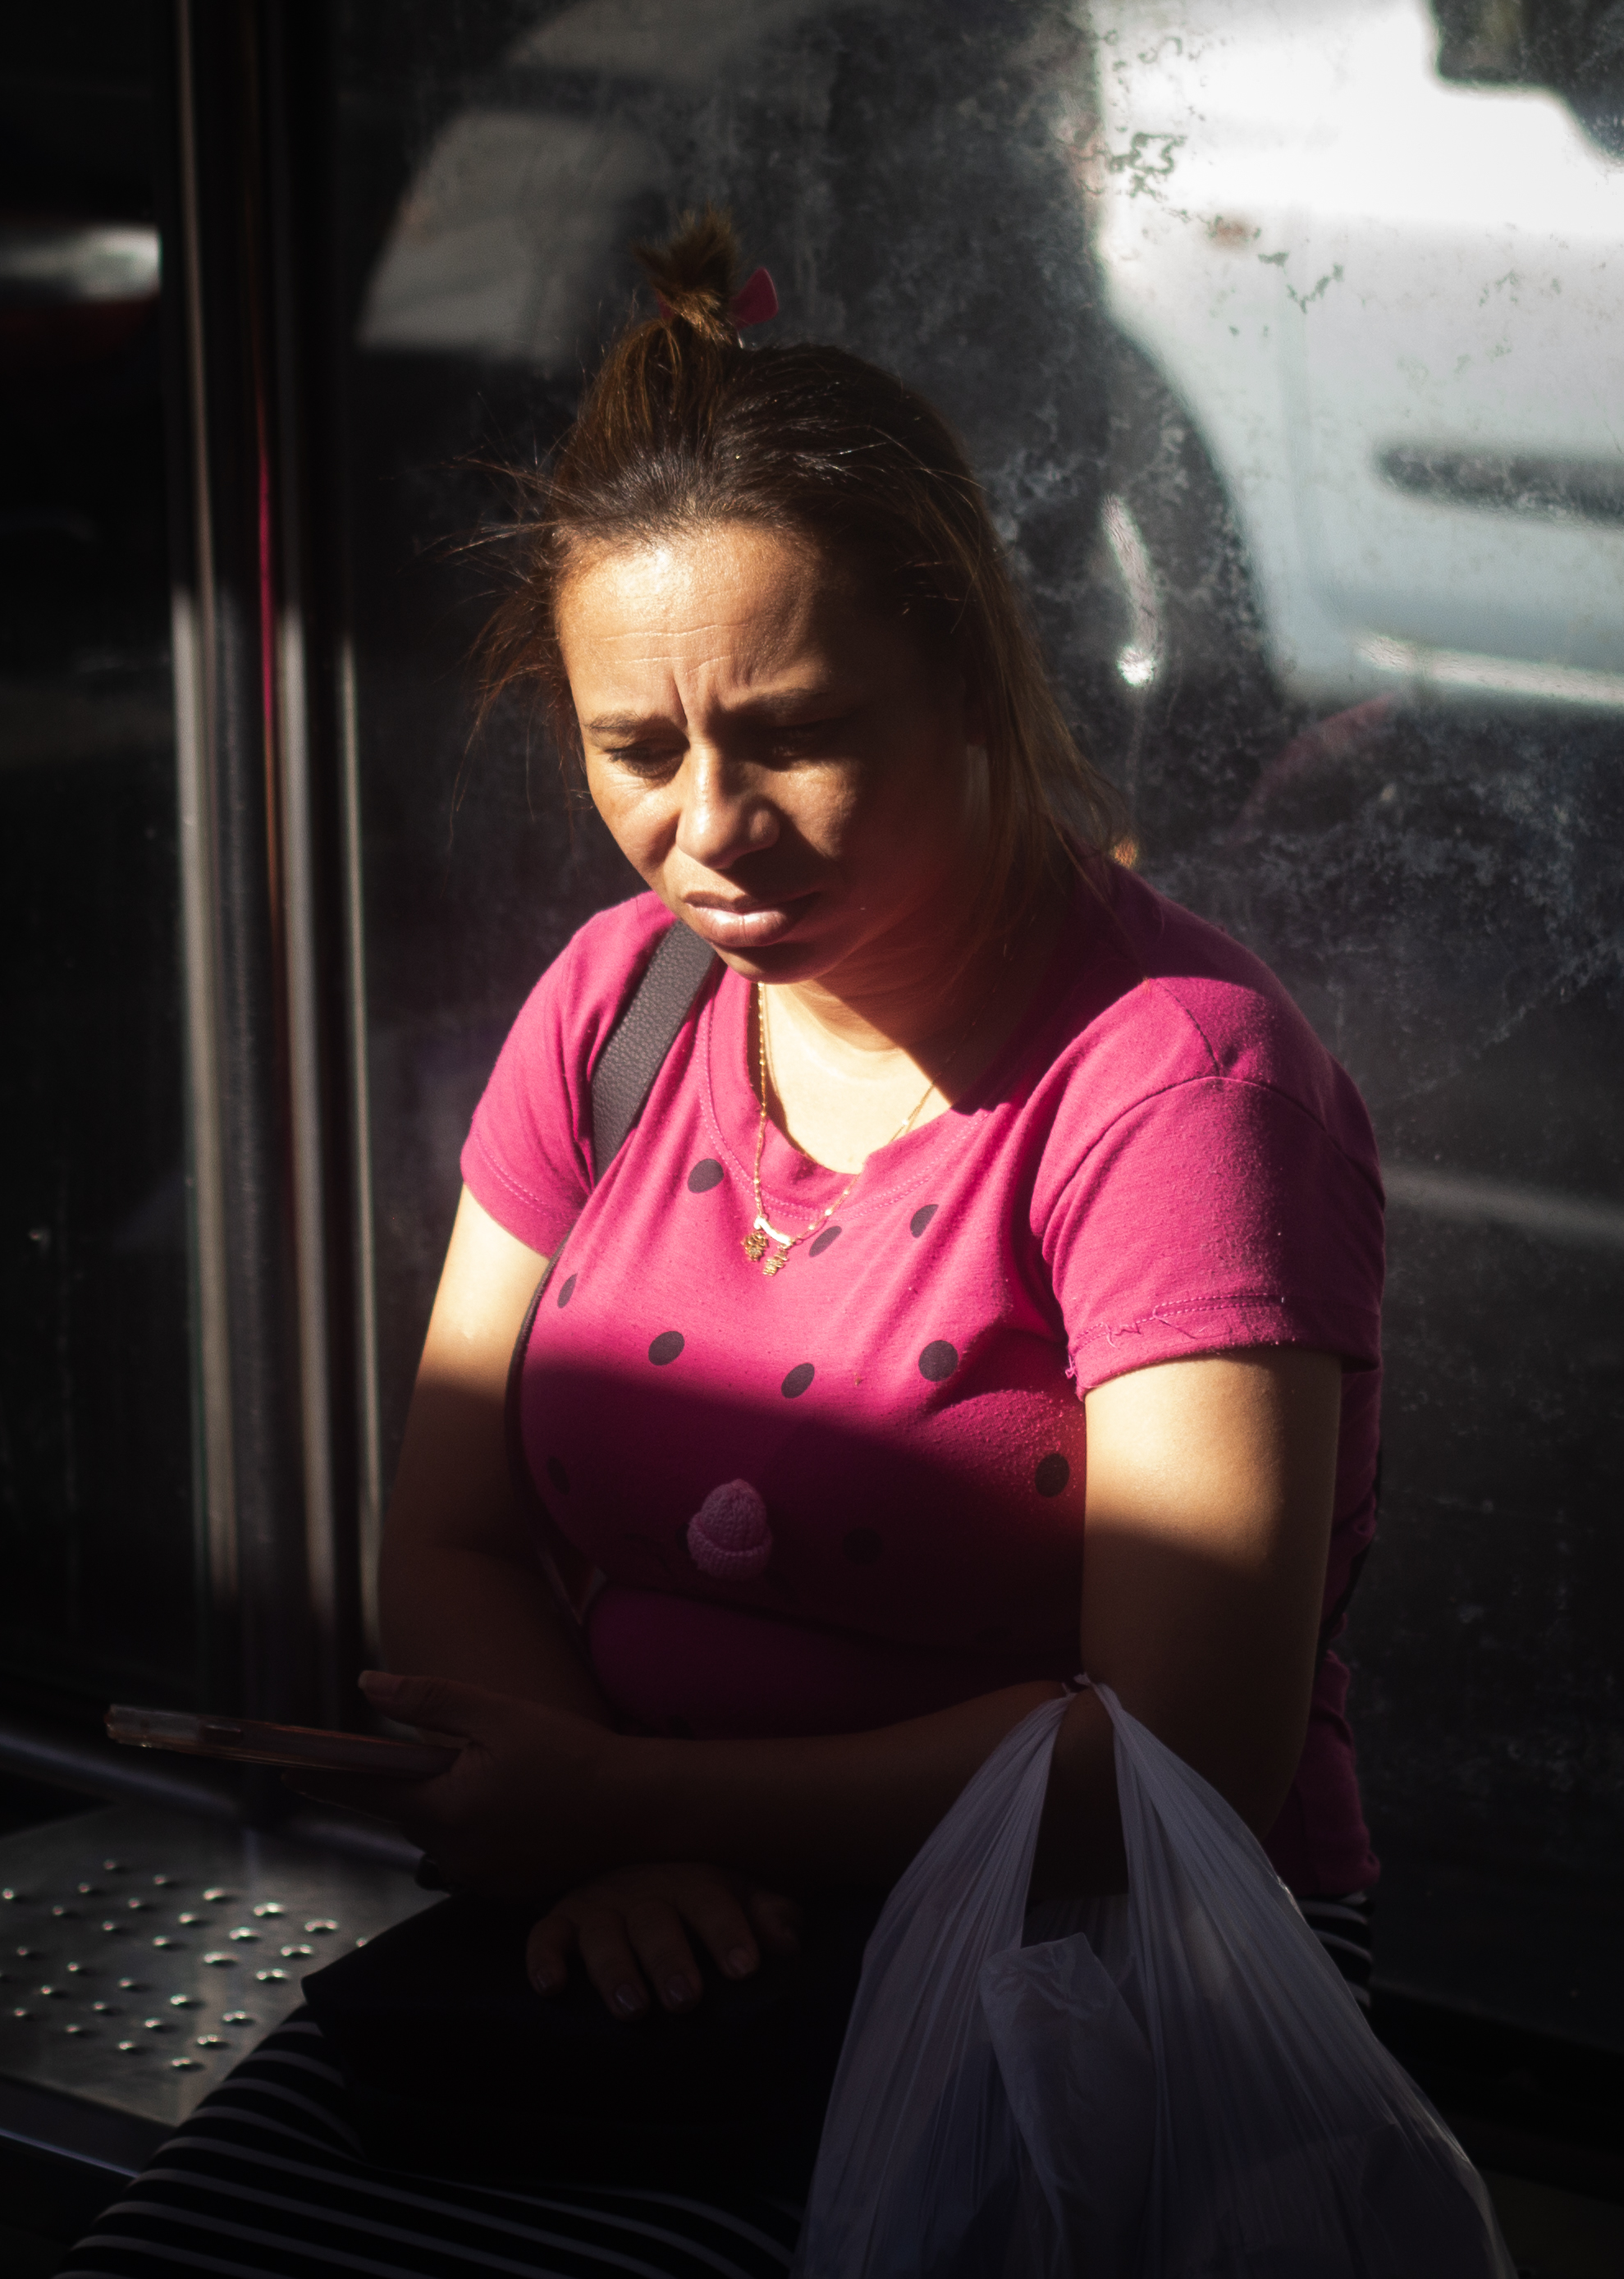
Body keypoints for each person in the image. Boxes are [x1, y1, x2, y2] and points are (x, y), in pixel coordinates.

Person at [68, 211, 1382, 2277]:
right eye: (637, 751)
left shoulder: (1175, 1090)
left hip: (1079, 1974)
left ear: (968, 669)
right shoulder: (617, 1007)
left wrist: (628, 1809)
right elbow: (455, 1535)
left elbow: (1178, 1756)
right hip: (628, 1935)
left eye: (792, 734)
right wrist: (601, 1862)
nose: (709, 828)